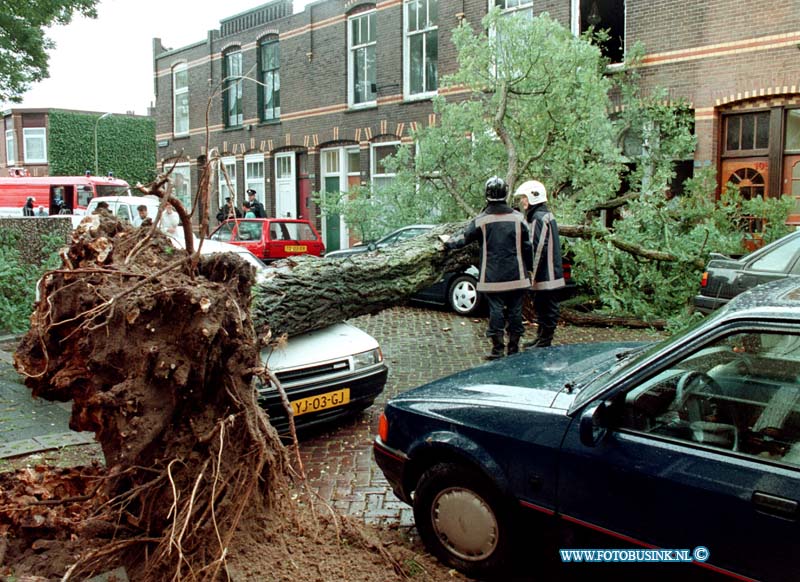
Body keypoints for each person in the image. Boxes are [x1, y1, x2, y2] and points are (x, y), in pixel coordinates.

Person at [444, 176, 532, 359]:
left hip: (492, 277)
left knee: (496, 311)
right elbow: (527, 246)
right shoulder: (518, 219)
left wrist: (447, 242)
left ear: (487, 195)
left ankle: (497, 350)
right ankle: (514, 349)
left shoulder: (481, 220)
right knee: (516, 311)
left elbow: (463, 239)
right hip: (518, 276)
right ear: (506, 194)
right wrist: (529, 268)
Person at [514, 180, 565, 348]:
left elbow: (538, 247)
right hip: (548, 273)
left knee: (547, 308)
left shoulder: (539, 218)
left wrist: (531, 274)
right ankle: (541, 338)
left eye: (524, 197)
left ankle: (544, 341)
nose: (522, 201)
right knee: (543, 307)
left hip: (546, 274)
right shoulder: (543, 215)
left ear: (533, 197)